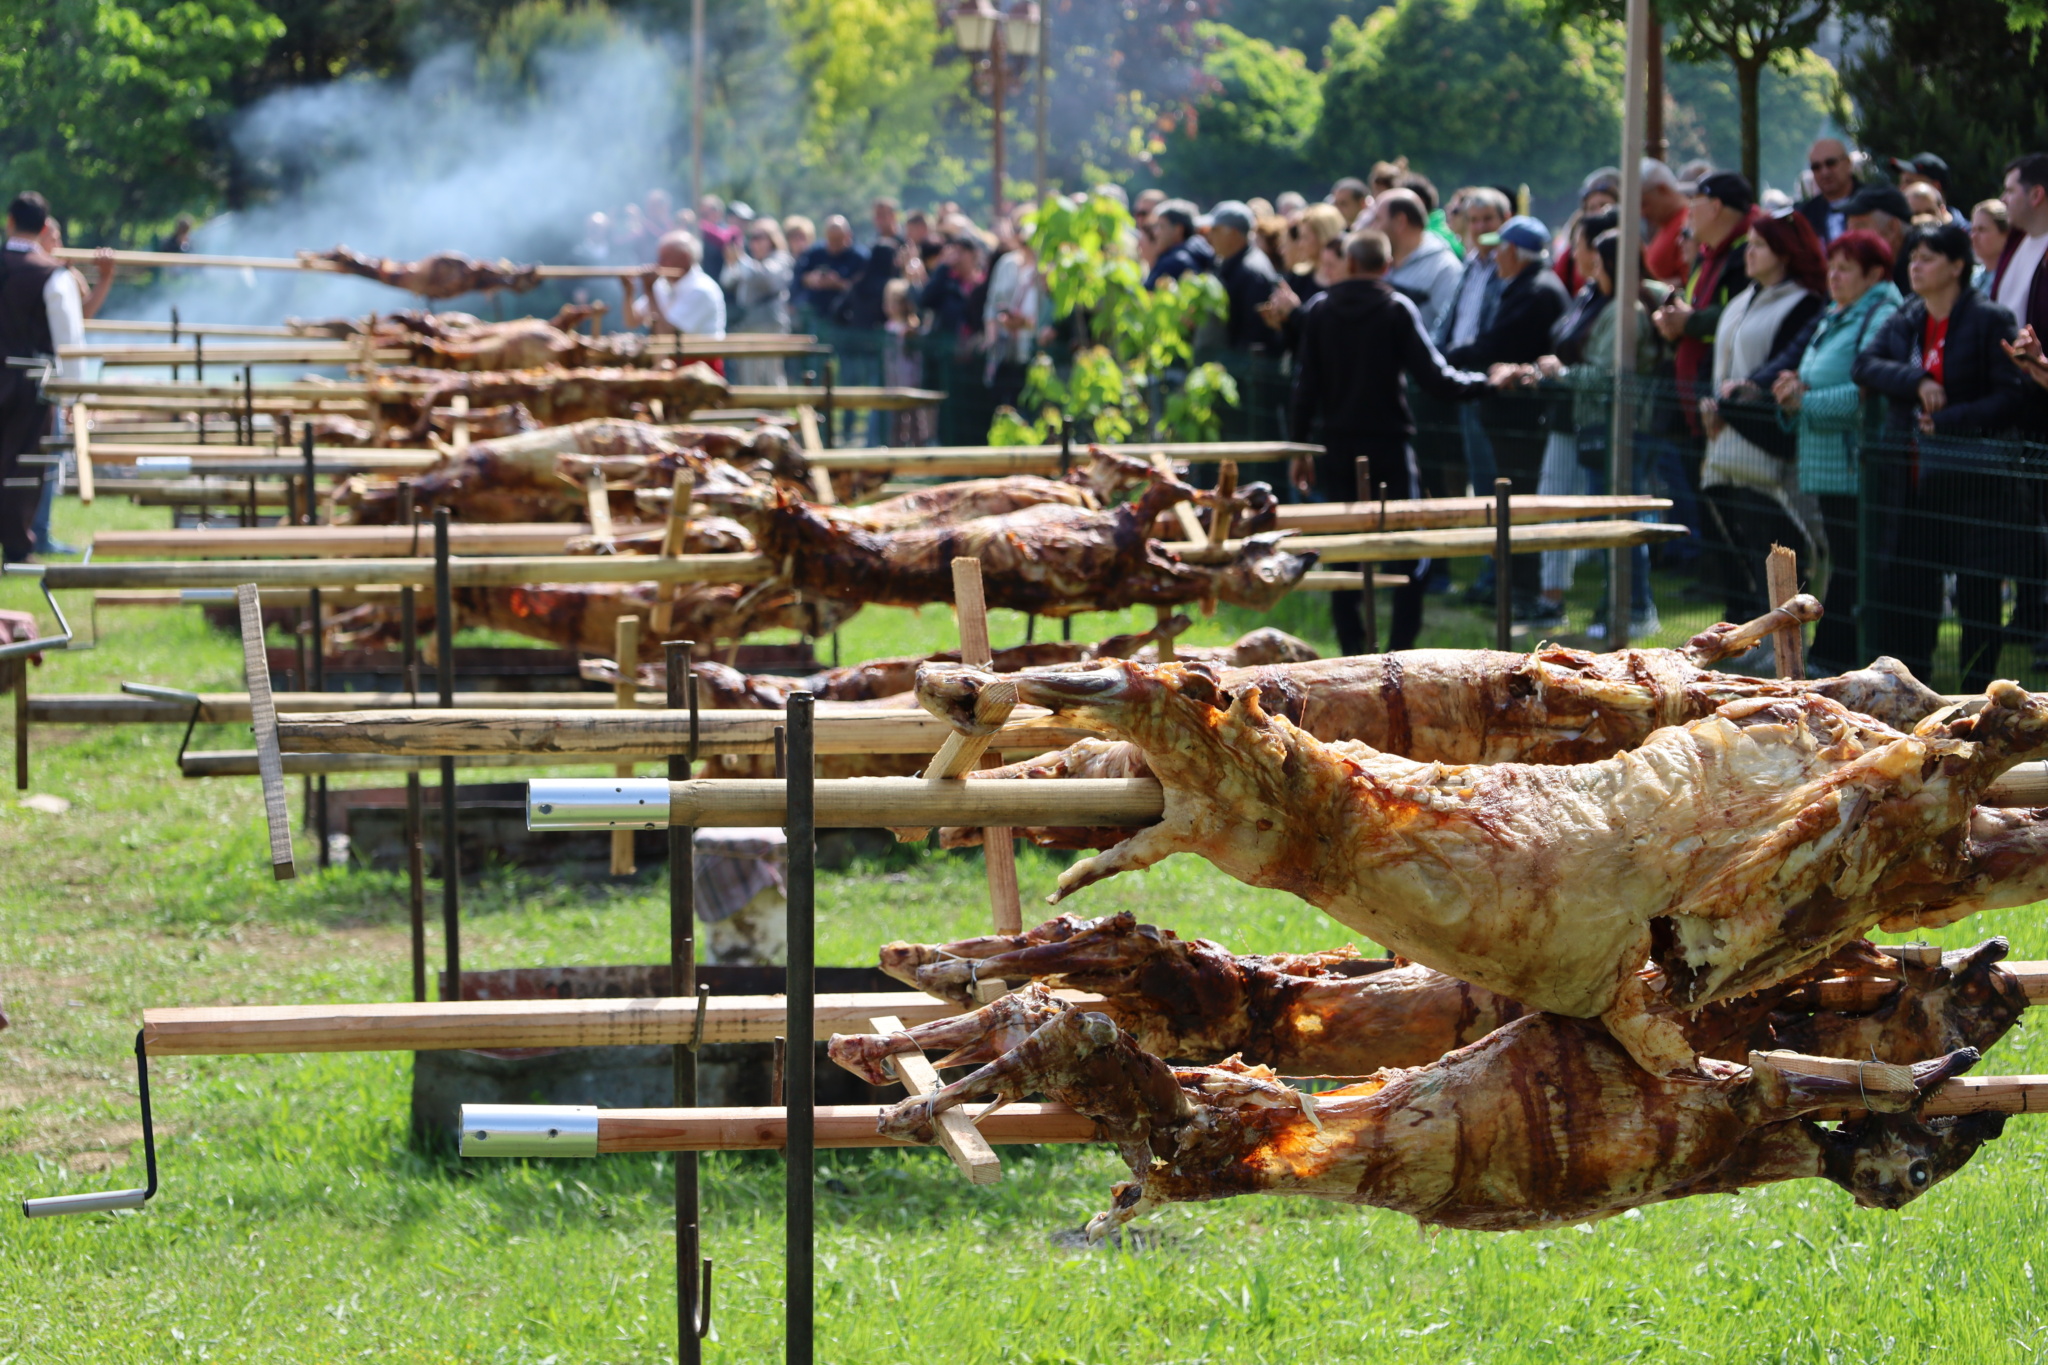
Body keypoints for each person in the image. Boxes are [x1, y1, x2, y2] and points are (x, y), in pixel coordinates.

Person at [1286, 229, 1490, 654]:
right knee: (1409, 550)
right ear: (1387, 266)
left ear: (1351, 263)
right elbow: (1436, 378)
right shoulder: (1396, 308)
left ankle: (1353, 649)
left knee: (1344, 551)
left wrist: (1299, 448)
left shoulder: (1321, 310)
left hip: (1337, 448)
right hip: (1390, 447)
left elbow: (1305, 388)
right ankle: (1399, 649)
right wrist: (1488, 382)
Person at [1853, 221, 2028, 691]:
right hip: (1911, 485)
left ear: (1956, 265)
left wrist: (1951, 417)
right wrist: (1917, 383)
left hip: (1973, 486)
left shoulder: (1991, 319)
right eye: (1912, 257)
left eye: (1928, 257)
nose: (1916, 265)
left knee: (1977, 590)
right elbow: (1864, 364)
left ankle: (1980, 692)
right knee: (1911, 587)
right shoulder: (1907, 317)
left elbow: (2012, 396)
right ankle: (1912, 688)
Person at [1769, 230, 1903, 673]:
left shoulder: (1882, 314)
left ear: (1874, 274)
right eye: (1833, 266)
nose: (1835, 275)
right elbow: (1817, 378)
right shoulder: (1838, 314)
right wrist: (1793, 391)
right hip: (1829, 467)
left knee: (1855, 566)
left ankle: (1834, 656)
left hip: (1856, 467)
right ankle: (1837, 655)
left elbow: (1866, 395)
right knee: (1846, 562)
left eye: (1847, 268)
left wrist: (1803, 401)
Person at [1694, 209, 1829, 627]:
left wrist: (1741, 395)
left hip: (1765, 450)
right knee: (1732, 536)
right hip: (1724, 447)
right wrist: (1711, 402)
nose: (1748, 253)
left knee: (1770, 542)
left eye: (1759, 246)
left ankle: (1779, 634)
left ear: (1784, 253)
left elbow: (1784, 363)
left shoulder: (1803, 302)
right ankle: (1743, 625)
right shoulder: (1740, 300)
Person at [1447, 213, 1571, 618]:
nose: (1494, 255)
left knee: (1519, 503)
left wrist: (1448, 359)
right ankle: (1515, 589)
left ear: (1514, 252)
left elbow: (1496, 345)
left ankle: (1524, 592)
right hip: (1511, 416)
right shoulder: (1524, 285)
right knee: (1512, 502)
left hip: (1521, 418)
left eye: (1500, 247)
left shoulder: (1534, 291)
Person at [1, 192, 84, 563]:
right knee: (23, 466)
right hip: (31, 384)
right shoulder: (54, 274)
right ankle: (18, 549)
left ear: (10, 221)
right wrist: (72, 394)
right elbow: (69, 340)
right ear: (45, 226)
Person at [1374, 189, 1463, 336]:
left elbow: (1448, 331)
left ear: (1400, 221)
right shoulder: (1378, 261)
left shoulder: (1444, 267)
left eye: (1378, 219)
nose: (1373, 227)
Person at [722, 218, 794, 388]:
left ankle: (778, 413)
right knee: (748, 374)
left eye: (759, 237)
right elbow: (727, 280)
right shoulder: (749, 262)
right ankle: (752, 412)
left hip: (770, 322)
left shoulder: (781, 258)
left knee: (771, 372)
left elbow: (766, 277)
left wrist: (741, 259)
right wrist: (731, 261)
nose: (754, 242)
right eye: (752, 237)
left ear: (772, 239)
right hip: (748, 322)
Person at [626, 230, 725, 338]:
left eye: (665, 258)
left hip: (699, 354)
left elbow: (668, 335)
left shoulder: (701, 289)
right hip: (674, 354)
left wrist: (649, 291)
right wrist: (629, 292)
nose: (659, 263)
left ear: (684, 258)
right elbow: (632, 321)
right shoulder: (662, 284)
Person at [1554, 167, 1619, 295]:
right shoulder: (1571, 252)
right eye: (1592, 207)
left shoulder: (1629, 244)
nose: (1598, 212)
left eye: (1604, 205)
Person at [792, 215, 865, 325]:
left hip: (846, 319)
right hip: (816, 315)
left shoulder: (859, 257)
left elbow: (863, 289)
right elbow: (799, 277)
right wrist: (811, 279)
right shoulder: (815, 253)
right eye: (831, 240)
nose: (834, 244)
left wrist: (838, 284)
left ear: (848, 235)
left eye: (838, 239)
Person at [1843, 183, 1913, 292]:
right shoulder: (1852, 269)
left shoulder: (1920, 272)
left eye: (1859, 227)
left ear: (1892, 228)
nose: (1850, 236)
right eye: (1848, 228)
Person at [1795, 139, 1859, 244]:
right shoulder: (1805, 216)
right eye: (1816, 167)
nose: (1824, 172)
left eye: (1831, 163)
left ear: (1848, 163)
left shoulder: (1873, 202)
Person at [1641, 159, 1693, 285]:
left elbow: (1690, 280)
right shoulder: (1666, 224)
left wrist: (1653, 290)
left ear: (1662, 190)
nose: (1641, 213)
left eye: (1644, 204)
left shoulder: (1688, 223)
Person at [1142, 200, 1212, 287]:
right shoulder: (1199, 253)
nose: (1156, 233)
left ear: (1178, 230)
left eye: (1161, 226)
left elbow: (1145, 296)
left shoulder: (1173, 263)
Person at [696, 195, 736, 285]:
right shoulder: (698, 232)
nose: (703, 219)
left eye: (705, 214)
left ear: (718, 213)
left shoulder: (730, 233)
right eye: (701, 215)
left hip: (721, 284)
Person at [1970, 199, 2011, 285]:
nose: (1973, 236)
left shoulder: (2014, 278)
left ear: (2005, 234)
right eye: (1973, 230)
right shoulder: (1972, 278)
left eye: (1982, 230)